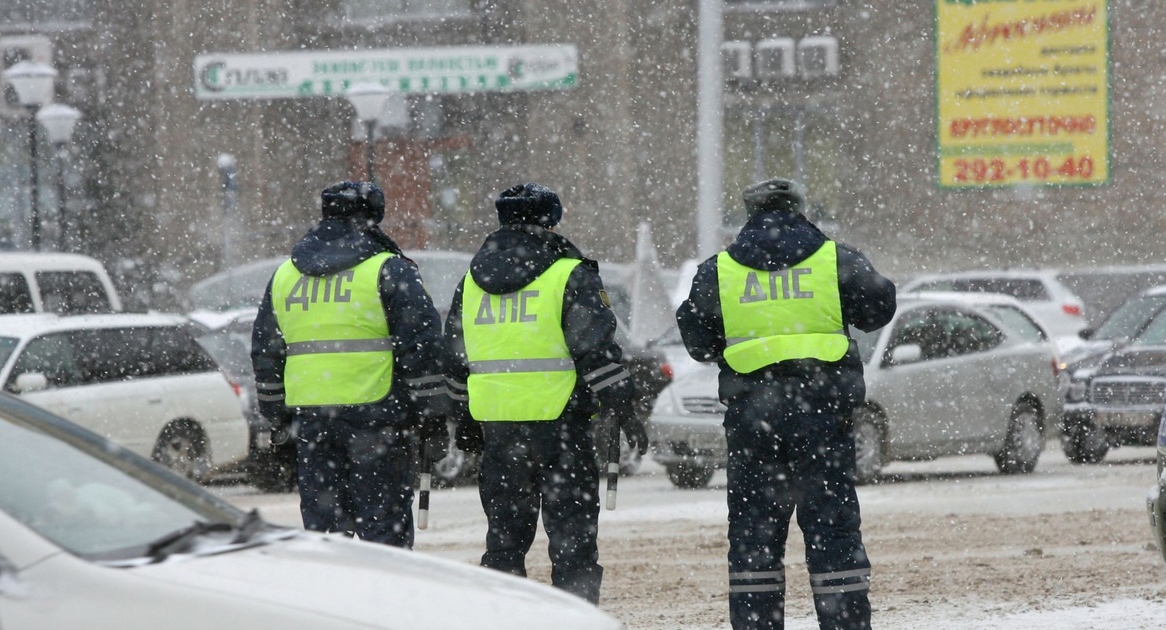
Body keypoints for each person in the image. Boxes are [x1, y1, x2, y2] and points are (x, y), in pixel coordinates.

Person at [676, 178, 896, 630]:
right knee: (832, 529)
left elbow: (697, 342)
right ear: (800, 209)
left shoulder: (719, 270)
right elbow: (878, 308)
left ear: (749, 213)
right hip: (823, 416)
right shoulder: (836, 258)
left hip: (751, 420)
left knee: (754, 533)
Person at [443, 182, 646, 604]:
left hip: (497, 428)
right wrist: (621, 403)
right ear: (551, 221)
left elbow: (456, 357)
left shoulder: (472, 282)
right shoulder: (568, 274)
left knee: (504, 543)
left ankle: (502, 617)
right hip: (562, 425)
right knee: (572, 544)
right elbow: (595, 348)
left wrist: (461, 415)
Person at [251, 181, 448, 549]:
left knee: (325, 533)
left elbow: (266, 352)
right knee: (382, 530)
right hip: (378, 415)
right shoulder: (388, 270)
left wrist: (275, 415)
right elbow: (421, 346)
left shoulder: (284, 277)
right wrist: (434, 414)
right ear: (373, 217)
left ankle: (333, 602)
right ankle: (379, 602)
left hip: (312, 419)